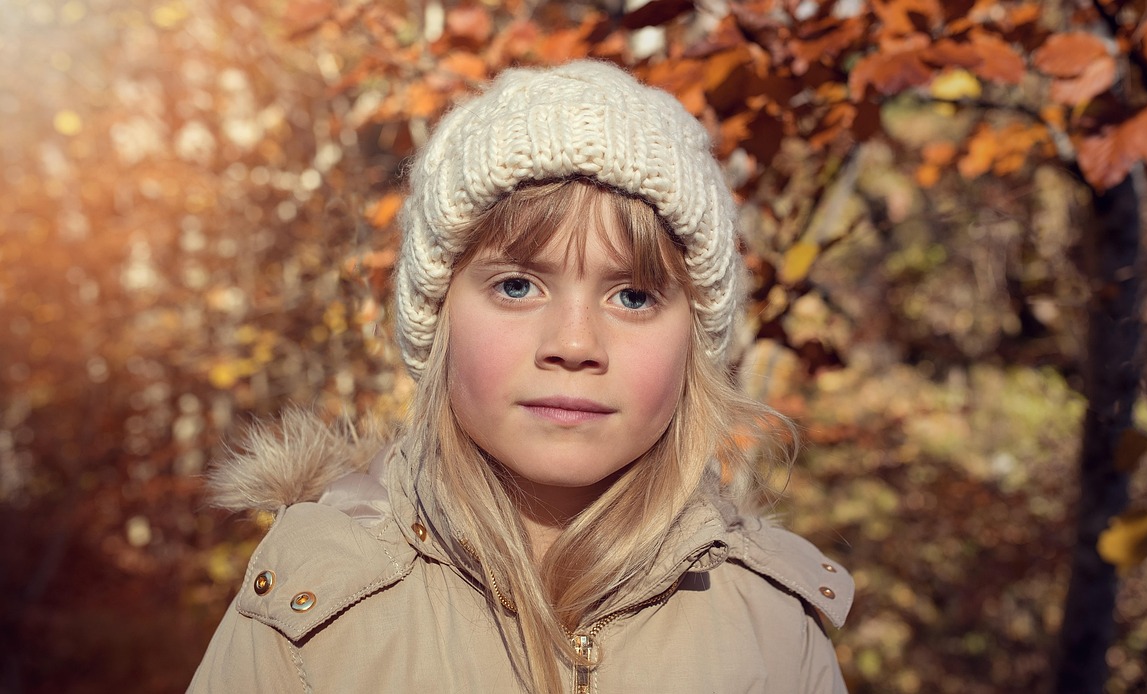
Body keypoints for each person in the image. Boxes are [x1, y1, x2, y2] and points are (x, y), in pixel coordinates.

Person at [190, 60, 853, 694]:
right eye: (516, 285)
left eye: (632, 297)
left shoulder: (770, 623)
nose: (573, 344)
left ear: (692, 344)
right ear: (438, 316)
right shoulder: (315, 603)